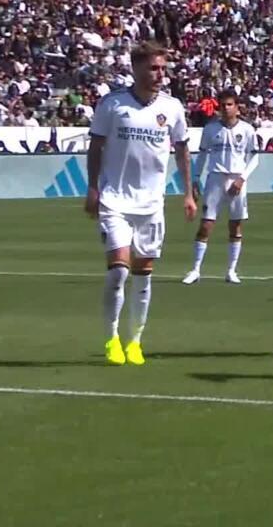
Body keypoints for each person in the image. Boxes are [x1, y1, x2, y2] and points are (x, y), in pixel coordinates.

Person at [85, 42, 196, 367]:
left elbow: (182, 151)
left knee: (144, 275)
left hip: (151, 204)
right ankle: (111, 339)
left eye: (163, 68)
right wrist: (93, 187)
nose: (159, 74)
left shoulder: (172, 107)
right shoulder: (113, 104)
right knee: (118, 272)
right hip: (115, 200)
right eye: (153, 68)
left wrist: (188, 193)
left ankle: (135, 341)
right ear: (135, 68)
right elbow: (96, 147)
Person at [183, 90, 262, 285]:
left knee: (235, 227)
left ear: (237, 107)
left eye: (230, 105)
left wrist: (242, 178)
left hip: (237, 180)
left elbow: (254, 157)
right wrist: (195, 179)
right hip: (215, 179)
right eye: (223, 105)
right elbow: (202, 155)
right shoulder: (210, 129)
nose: (226, 109)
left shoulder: (247, 129)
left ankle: (231, 271)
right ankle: (195, 270)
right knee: (205, 225)